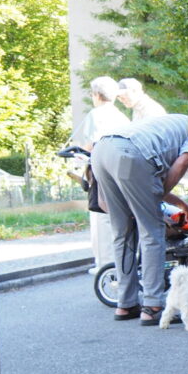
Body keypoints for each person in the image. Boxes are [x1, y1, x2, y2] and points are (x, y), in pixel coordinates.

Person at [90, 114, 188, 325]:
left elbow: (145, 182)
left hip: (102, 150)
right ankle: (152, 306)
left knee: (122, 234)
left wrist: (179, 204)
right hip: (132, 154)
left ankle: (126, 304)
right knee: (152, 232)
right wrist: (156, 201)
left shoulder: (170, 122)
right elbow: (182, 163)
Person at [70, 76, 131, 272]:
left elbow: (93, 144)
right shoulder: (122, 116)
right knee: (118, 217)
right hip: (122, 171)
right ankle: (120, 263)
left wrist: (77, 153)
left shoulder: (96, 115)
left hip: (102, 172)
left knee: (101, 217)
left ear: (96, 95)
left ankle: (105, 266)